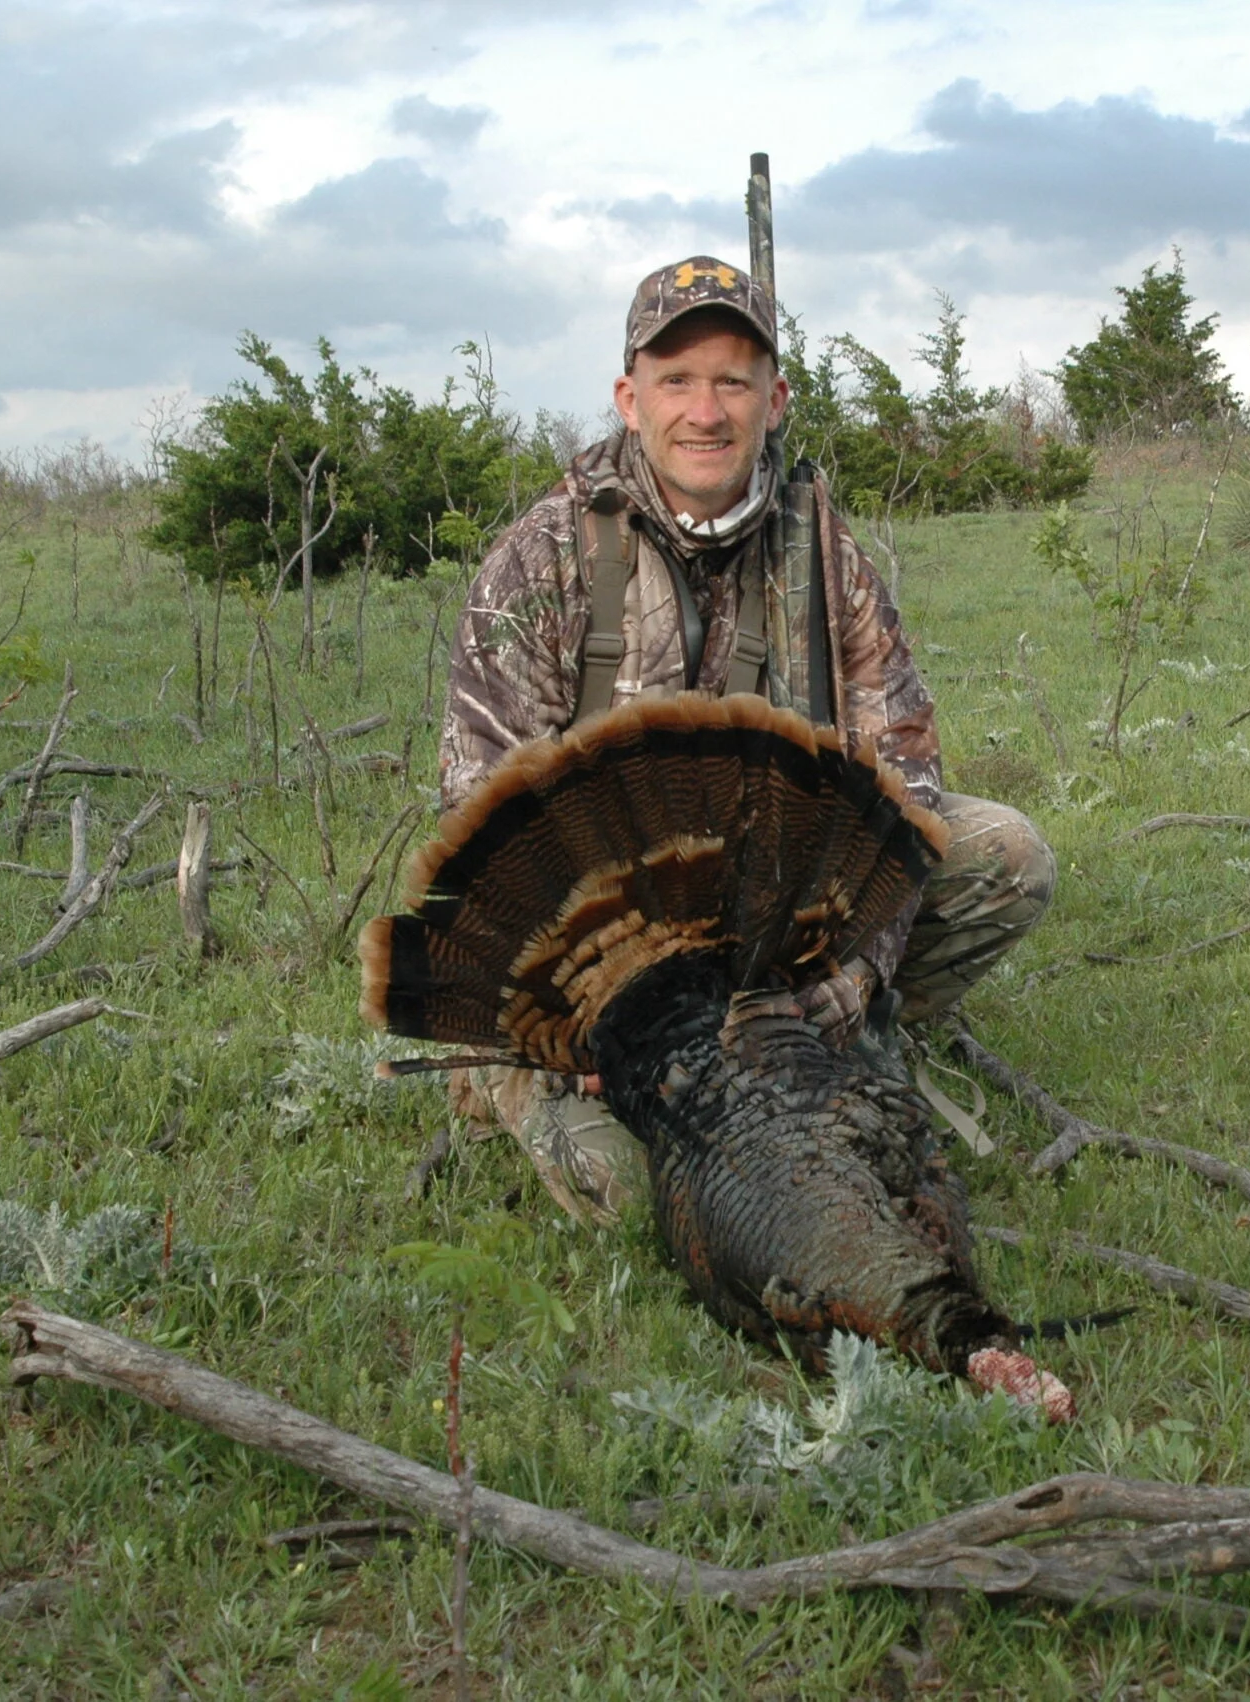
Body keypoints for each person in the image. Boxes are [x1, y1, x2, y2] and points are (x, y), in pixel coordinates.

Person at [437, 255, 1055, 1222]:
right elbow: (481, 830)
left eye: (733, 380)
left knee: (1008, 859)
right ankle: (509, 1081)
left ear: (776, 398)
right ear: (627, 396)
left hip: (772, 920)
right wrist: (597, 1020)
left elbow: (906, 780)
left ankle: (818, 1040)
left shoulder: (821, 546)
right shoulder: (545, 557)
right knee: (657, 1200)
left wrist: (852, 976)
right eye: (676, 380)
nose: (706, 410)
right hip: (596, 961)